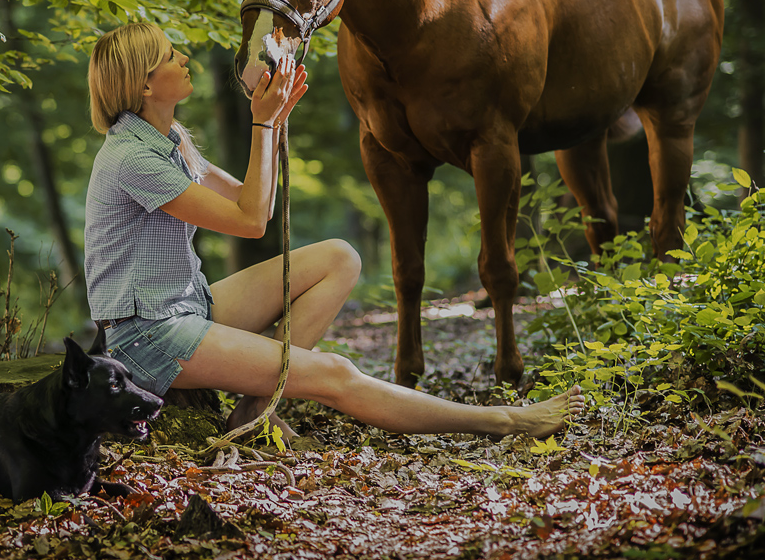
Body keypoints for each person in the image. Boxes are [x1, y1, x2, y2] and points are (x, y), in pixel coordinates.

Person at [84, 22, 584, 442]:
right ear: (145, 86)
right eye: (172, 56)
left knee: (339, 257)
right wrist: (262, 127)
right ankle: (505, 421)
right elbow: (251, 222)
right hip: (147, 335)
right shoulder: (132, 158)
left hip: (184, 305)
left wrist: (274, 121)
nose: (185, 57)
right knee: (335, 373)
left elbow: (248, 196)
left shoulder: (167, 138)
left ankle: (254, 411)